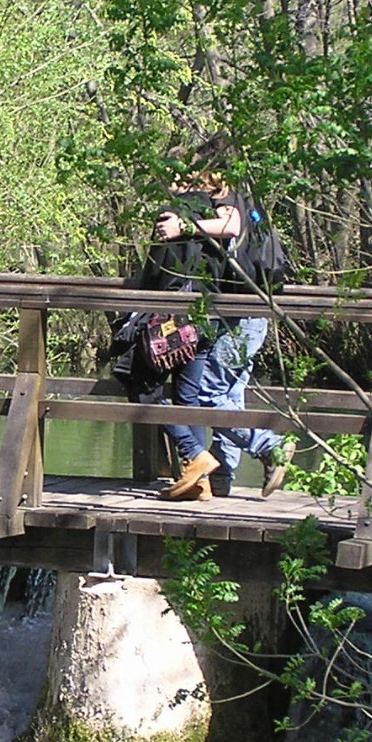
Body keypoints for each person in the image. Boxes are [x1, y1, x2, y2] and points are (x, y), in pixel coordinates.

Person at [143, 174, 294, 501]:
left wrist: (184, 226)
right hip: (252, 312)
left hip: (242, 314)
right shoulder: (246, 196)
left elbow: (231, 225)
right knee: (229, 394)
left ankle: (269, 447)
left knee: (208, 394)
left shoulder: (228, 196)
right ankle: (222, 476)